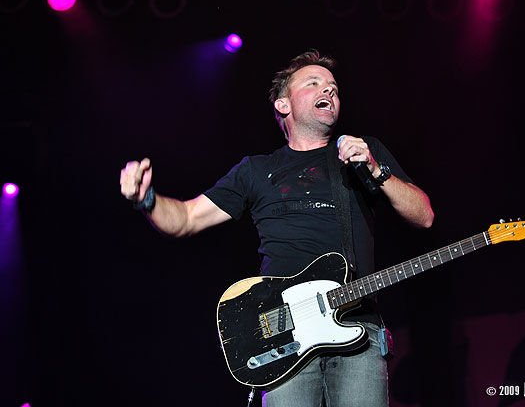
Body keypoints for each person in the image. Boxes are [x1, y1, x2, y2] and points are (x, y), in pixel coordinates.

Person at [120, 50, 434, 407]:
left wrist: (377, 171)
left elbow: (424, 215)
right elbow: (186, 219)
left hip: (358, 328)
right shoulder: (255, 170)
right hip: (283, 336)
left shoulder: (364, 155)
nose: (329, 91)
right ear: (283, 105)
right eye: (314, 83)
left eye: (333, 87)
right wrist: (147, 200)